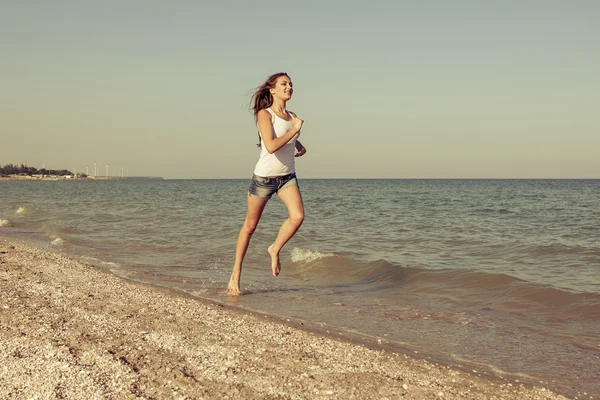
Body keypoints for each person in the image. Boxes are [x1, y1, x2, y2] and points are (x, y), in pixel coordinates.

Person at [228, 72, 307, 295]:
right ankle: (236, 273)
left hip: (287, 177)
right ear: (272, 89)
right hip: (264, 178)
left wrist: (297, 143)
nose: (289, 87)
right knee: (250, 227)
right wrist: (294, 131)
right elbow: (270, 145)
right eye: (284, 84)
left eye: (291, 84)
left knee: (298, 216)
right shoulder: (265, 114)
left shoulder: (292, 116)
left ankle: (274, 248)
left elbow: (285, 134)